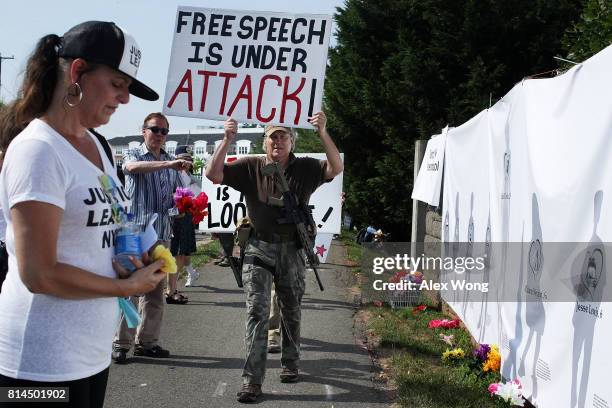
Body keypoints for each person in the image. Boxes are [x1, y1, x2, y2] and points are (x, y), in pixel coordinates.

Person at [0, 21, 166, 408]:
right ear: (77, 72)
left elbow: (99, 231)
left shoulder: (98, 144)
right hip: (37, 366)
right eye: (118, 84)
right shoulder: (39, 150)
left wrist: (139, 254)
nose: (125, 100)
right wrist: (126, 288)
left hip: (89, 354)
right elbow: (39, 273)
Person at [206, 111, 343, 403]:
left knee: (291, 308)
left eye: (283, 137)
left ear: (292, 142)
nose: (278, 142)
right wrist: (226, 139)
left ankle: (290, 362)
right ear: (265, 142)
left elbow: (336, 167)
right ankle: (251, 380)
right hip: (258, 247)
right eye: (273, 137)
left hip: (292, 249)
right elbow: (213, 174)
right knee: (256, 312)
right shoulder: (251, 166)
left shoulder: (306, 168)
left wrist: (322, 132)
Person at [112, 112, 191, 363]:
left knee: (155, 292)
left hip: (160, 232)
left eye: (164, 131)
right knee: (130, 289)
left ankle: (147, 342)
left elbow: (176, 196)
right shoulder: (135, 154)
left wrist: (184, 205)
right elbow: (132, 169)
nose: (159, 135)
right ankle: (121, 343)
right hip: (133, 232)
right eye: (155, 130)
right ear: (143, 131)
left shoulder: (171, 161)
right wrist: (169, 165)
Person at [168, 145, 200, 298]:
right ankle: (176, 285)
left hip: (185, 217)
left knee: (182, 253)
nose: (186, 163)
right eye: (182, 159)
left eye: (188, 160)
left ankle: (174, 286)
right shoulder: (170, 173)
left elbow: (197, 195)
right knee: (178, 254)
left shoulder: (193, 179)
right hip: (170, 217)